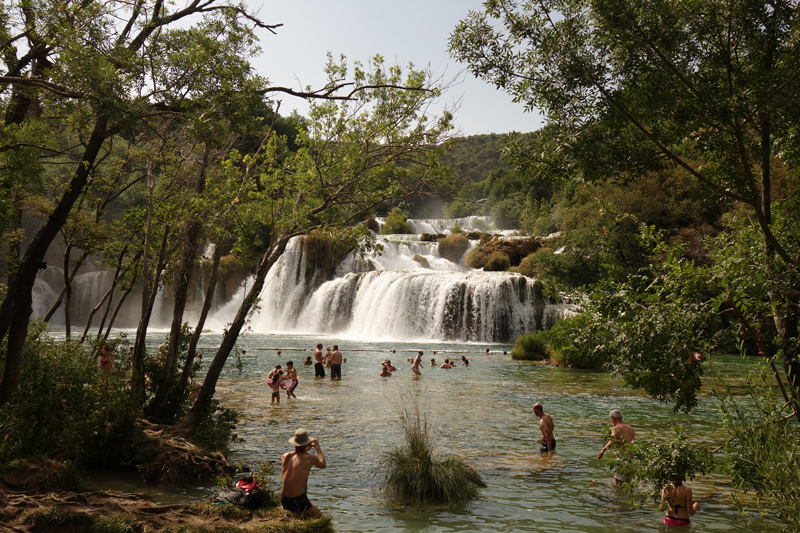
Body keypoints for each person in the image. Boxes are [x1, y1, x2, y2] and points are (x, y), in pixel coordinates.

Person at [281, 428, 326, 518]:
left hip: (284, 499)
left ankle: (297, 514)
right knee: (322, 519)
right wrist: (317, 447)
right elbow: (322, 465)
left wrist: (304, 448)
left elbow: (298, 458)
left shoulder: (285, 456)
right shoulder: (310, 458)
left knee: (304, 515)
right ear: (306, 443)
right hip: (297, 499)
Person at [597, 409, 635, 485]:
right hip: (632, 459)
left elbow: (613, 440)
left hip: (622, 459)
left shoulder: (615, 428)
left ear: (613, 418)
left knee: (619, 484)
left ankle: (619, 497)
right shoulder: (631, 428)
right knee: (628, 484)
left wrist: (602, 451)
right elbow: (628, 443)